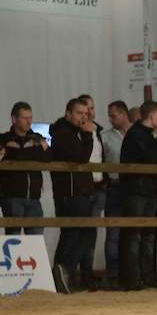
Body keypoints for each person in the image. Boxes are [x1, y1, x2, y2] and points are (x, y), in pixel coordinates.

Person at [119, 101, 157, 291]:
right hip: (136, 191)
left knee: (148, 236)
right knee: (134, 235)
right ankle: (133, 278)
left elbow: (155, 159)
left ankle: (147, 276)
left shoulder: (147, 135)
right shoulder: (136, 134)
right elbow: (148, 158)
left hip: (149, 190)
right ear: (151, 116)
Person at [50, 98, 97, 293]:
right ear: (68, 113)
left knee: (76, 233)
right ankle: (63, 269)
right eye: (79, 113)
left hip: (79, 191)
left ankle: (62, 271)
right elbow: (81, 158)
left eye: (86, 114)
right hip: (70, 193)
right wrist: (88, 136)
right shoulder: (63, 133)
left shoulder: (73, 132)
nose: (83, 118)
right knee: (77, 233)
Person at [0, 102, 51, 235]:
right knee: (13, 237)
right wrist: (38, 150)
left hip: (34, 197)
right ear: (14, 119)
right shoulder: (3, 139)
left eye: (30, 118)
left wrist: (16, 152)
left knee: (36, 238)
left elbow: (48, 156)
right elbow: (18, 156)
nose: (29, 121)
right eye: (25, 118)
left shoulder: (37, 138)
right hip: (12, 197)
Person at [101, 100, 131, 290]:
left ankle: (127, 274)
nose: (111, 119)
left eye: (113, 115)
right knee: (113, 232)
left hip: (133, 187)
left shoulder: (137, 133)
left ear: (123, 114)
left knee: (131, 233)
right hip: (114, 185)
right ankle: (112, 274)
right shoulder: (105, 137)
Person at [77, 94, 105, 292]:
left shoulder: (98, 131)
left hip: (99, 185)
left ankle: (87, 273)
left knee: (91, 233)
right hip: (83, 187)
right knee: (80, 232)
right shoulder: (77, 132)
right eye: (86, 109)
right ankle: (80, 273)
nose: (90, 112)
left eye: (92, 108)